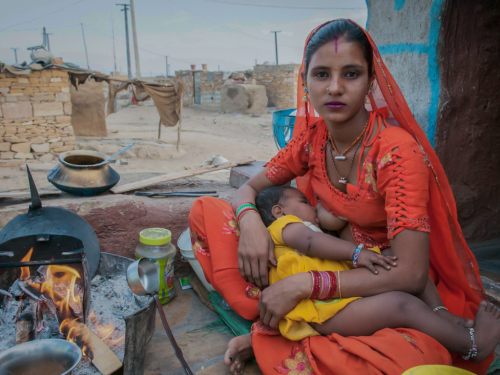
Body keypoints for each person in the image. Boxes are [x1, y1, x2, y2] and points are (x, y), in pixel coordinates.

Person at [189, 19, 493, 375]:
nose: (334, 88)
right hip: (324, 261)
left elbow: (410, 275)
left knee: (412, 359)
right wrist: (250, 220)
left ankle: (279, 329)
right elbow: (247, 189)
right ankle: (284, 319)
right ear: (305, 83)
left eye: (350, 74)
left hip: (381, 278)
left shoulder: (395, 152)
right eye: (321, 75)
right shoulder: (312, 141)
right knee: (207, 211)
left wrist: (305, 285)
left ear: (370, 82)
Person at [254, 185, 500, 363]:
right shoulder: (284, 227)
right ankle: (471, 345)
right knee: (400, 305)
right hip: (324, 312)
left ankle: (444, 316)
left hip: (338, 299)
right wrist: (356, 253)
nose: (312, 207)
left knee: (402, 263)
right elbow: (310, 242)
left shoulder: (304, 232)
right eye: (304, 202)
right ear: (278, 211)